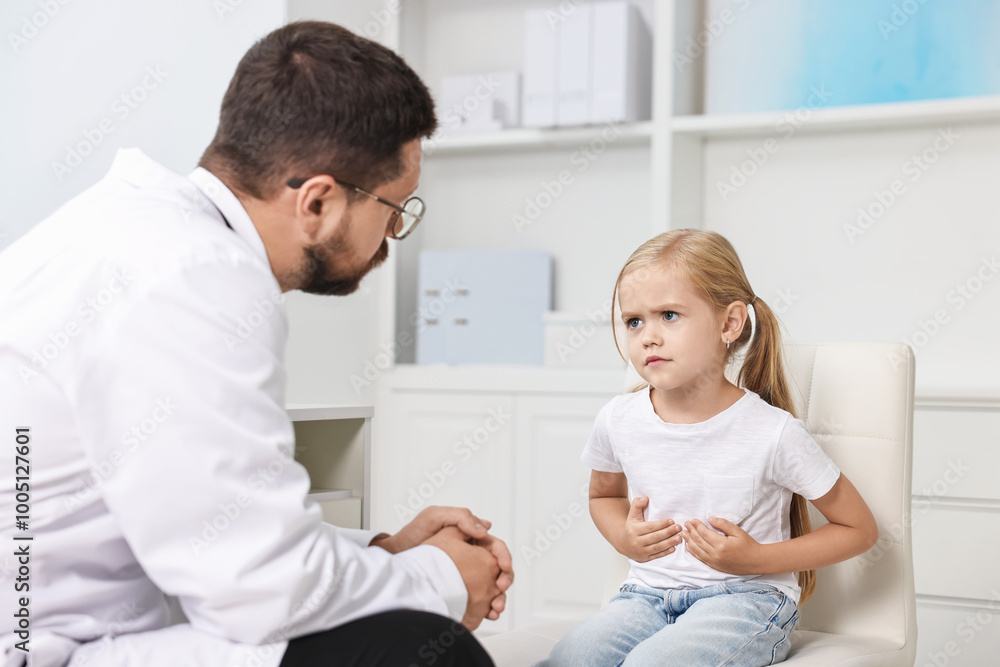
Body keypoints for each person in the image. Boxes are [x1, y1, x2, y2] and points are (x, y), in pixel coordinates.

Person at [0, 21, 510, 667]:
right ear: (318, 203)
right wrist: (441, 578)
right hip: (43, 650)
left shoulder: (134, 231)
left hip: (66, 621)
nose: (391, 236)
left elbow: (208, 527)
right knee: (419, 650)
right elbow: (256, 593)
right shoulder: (196, 275)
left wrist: (383, 552)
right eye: (394, 209)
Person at [538, 230, 878, 666]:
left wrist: (756, 558)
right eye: (634, 321)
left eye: (669, 315)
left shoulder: (773, 432)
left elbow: (858, 529)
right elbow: (603, 496)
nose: (648, 337)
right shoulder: (618, 418)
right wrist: (624, 536)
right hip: (645, 596)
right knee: (569, 659)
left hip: (746, 599)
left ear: (729, 324)